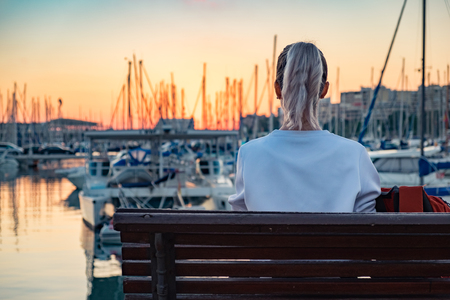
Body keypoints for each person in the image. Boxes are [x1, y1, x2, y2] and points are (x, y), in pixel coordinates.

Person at [228, 42, 380, 212]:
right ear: (324, 90)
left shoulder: (249, 154)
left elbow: (241, 221)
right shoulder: (355, 154)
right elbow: (369, 226)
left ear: (278, 89)